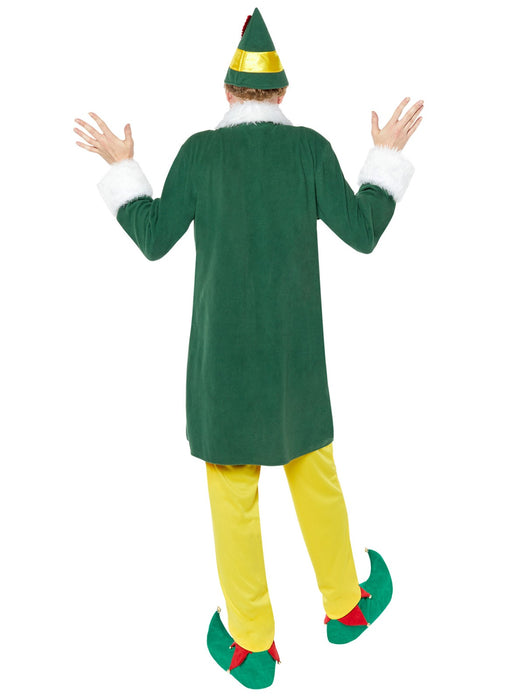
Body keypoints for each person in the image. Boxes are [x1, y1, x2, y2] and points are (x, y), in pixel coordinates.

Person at [74, 7, 423, 690]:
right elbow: (362, 230)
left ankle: (252, 648)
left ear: (228, 91)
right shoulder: (309, 149)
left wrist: (123, 167)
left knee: (232, 494)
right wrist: (383, 155)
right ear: (282, 91)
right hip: (296, 362)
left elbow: (153, 238)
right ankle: (346, 606)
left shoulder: (200, 152)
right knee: (313, 473)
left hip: (222, 366)